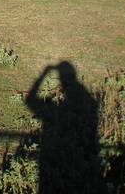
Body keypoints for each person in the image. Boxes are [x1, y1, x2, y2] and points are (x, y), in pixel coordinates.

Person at [25, 61, 102, 193]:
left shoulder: (81, 100)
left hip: (53, 153)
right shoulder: (88, 99)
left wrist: (43, 74)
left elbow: (30, 100)